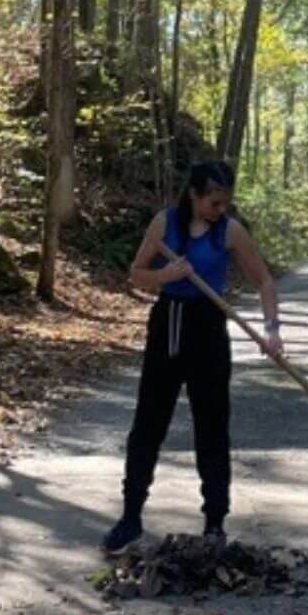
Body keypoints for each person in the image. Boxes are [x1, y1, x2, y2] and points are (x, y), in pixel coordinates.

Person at [104, 161, 284, 555]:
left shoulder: (230, 231)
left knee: (213, 426)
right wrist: (165, 276)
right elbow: (136, 274)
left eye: (225, 203)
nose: (221, 209)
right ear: (194, 195)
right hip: (169, 323)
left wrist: (272, 329)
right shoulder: (164, 224)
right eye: (214, 202)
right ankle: (130, 517)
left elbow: (264, 280)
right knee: (149, 423)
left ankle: (215, 523)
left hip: (208, 326)